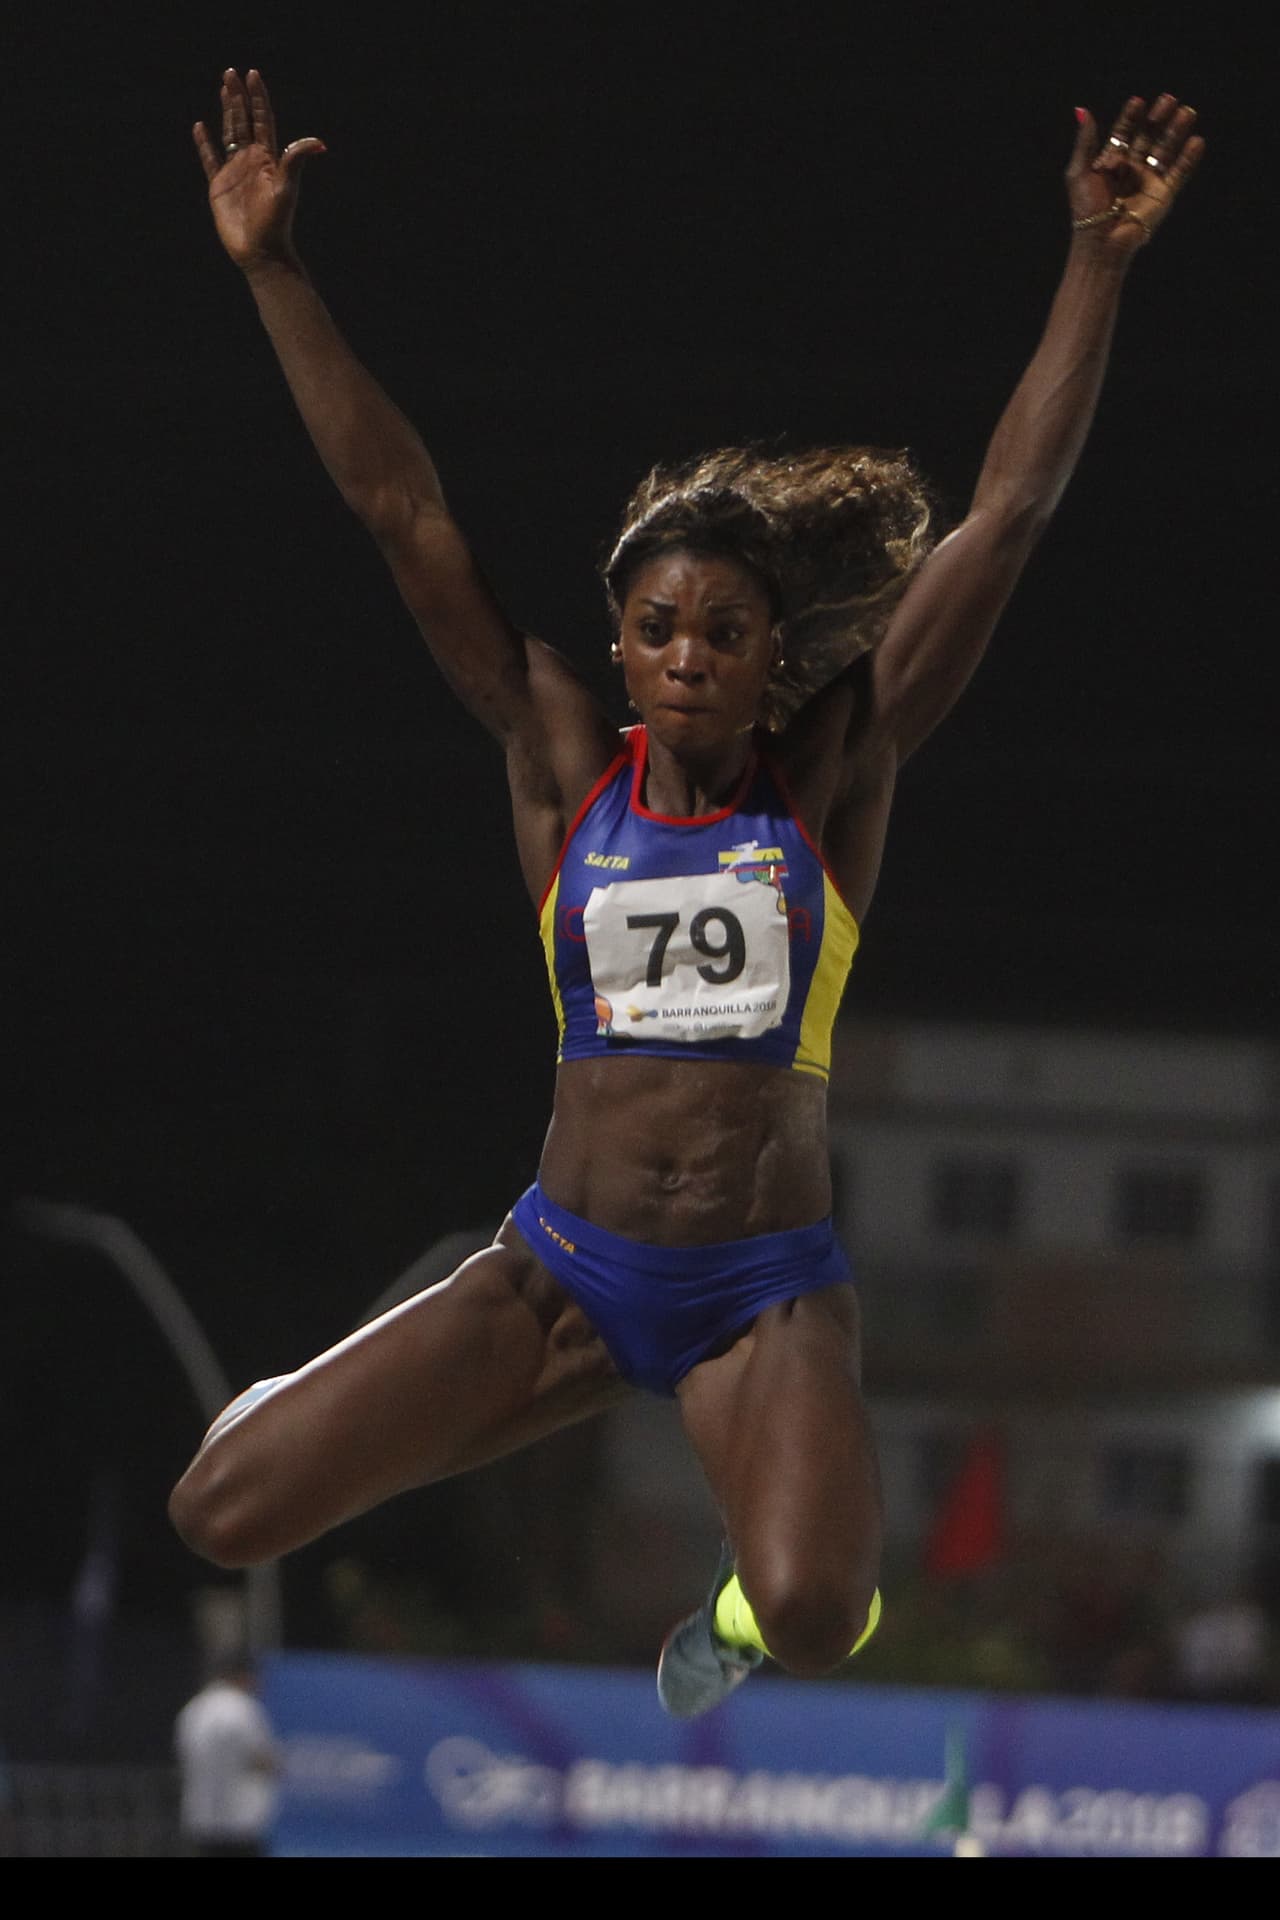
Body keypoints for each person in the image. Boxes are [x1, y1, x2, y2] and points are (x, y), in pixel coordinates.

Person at [169, 70, 1204, 1718]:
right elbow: (400, 509)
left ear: (771, 654)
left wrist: (1096, 262)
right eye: (661, 630)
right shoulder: (561, 766)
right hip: (562, 1267)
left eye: (726, 632)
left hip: (757, 1290)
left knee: (806, 1615)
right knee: (218, 1515)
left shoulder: (833, 780)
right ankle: (387, 1355)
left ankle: (731, 1615)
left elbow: (1007, 518)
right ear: (628, 647)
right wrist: (275, 271)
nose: (692, 657)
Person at [174, 1654, 280, 1858]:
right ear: (243, 1676)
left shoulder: (194, 1709)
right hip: (240, 1818)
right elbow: (262, 1758)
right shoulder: (243, 1708)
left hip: (200, 1816)